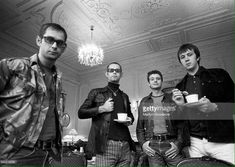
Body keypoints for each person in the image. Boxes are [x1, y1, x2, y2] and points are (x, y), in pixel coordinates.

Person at [0, 23, 67, 166]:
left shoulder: (58, 78)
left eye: (59, 43)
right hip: (16, 153)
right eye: (49, 40)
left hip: (48, 153)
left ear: (63, 48)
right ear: (39, 40)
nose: (54, 45)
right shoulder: (14, 66)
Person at [172, 43, 234, 164]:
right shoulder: (179, 87)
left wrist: (215, 107)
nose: (186, 59)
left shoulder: (219, 75)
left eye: (189, 55)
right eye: (183, 57)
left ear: (198, 57)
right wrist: (180, 106)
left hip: (222, 140)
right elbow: (177, 121)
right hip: (194, 142)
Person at [78, 62, 136, 167]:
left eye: (117, 70)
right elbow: (81, 113)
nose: (114, 72)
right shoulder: (96, 92)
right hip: (106, 146)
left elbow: (131, 116)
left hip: (125, 145)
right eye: (111, 70)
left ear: (121, 74)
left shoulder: (124, 97)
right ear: (106, 74)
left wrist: (129, 120)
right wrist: (102, 108)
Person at [136, 70, 185, 166]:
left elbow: (181, 124)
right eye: (152, 79)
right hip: (152, 145)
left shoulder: (171, 99)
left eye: (158, 78)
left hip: (171, 144)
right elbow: (139, 127)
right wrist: (143, 144)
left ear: (161, 81)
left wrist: (178, 144)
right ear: (148, 83)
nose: (155, 81)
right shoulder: (144, 101)